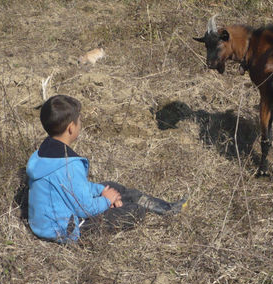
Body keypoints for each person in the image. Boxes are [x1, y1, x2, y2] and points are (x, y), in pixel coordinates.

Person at [26, 94, 187, 243]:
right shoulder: (69, 165)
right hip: (65, 228)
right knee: (134, 212)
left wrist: (101, 191)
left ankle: (164, 207)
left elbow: (73, 189)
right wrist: (106, 200)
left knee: (110, 186)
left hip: (47, 221)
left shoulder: (41, 155)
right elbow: (85, 209)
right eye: (79, 120)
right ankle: (143, 206)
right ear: (70, 128)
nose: (81, 124)